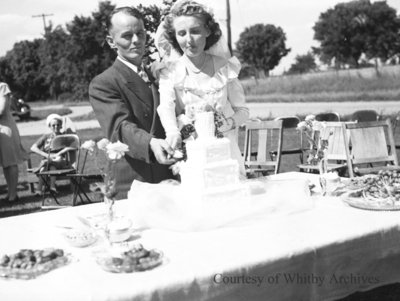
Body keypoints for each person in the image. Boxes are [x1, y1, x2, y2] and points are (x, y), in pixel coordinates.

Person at [89, 7, 177, 199]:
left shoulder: (160, 74)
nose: (136, 41)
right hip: (135, 181)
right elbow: (120, 127)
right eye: (127, 36)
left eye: (140, 33)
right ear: (112, 42)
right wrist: (150, 142)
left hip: (171, 176)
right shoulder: (104, 83)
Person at [155, 0, 249, 173]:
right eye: (182, 33)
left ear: (207, 30)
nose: (189, 40)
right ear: (174, 36)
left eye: (195, 31)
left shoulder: (225, 67)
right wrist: (173, 132)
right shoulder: (170, 71)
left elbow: (243, 111)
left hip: (225, 151)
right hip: (191, 152)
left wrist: (226, 124)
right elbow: (165, 106)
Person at [30, 114, 76, 195]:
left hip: (60, 161)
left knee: (46, 165)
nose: (56, 127)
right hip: (49, 161)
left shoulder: (64, 136)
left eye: (58, 125)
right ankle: (52, 188)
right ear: (50, 126)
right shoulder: (46, 137)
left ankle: (39, 188)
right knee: (49, 167)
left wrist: (61, 152)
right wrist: (46, 155)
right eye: (53, 125)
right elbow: (33, 148)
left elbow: (74, 146)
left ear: (61, 125)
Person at [0, 82, 27, 203]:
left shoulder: (2, 86)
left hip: (6, 127)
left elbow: (1, 109)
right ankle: (10, 192)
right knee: (5, 162)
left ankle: (13, 193)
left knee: (10, 161)